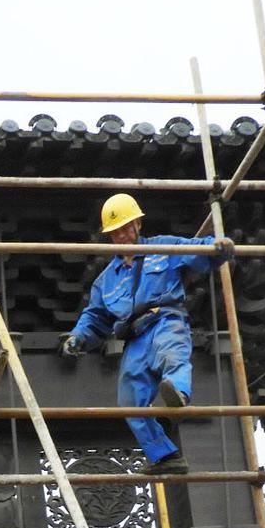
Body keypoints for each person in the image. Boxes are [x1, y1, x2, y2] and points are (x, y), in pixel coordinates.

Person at [62, 193, 235, 476]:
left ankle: (178, 391)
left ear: (138, 224)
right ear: (110, 237)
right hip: (135, 338)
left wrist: (217, 247)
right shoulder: (106, 280)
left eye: (126, 228)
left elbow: (195, 249)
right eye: (116, 232)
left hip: (165, 319)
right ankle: (165, 456)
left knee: (171, 356)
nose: (122, 235)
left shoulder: (163, 247)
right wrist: (77, 338)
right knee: (129, 403)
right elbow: (94, 317)